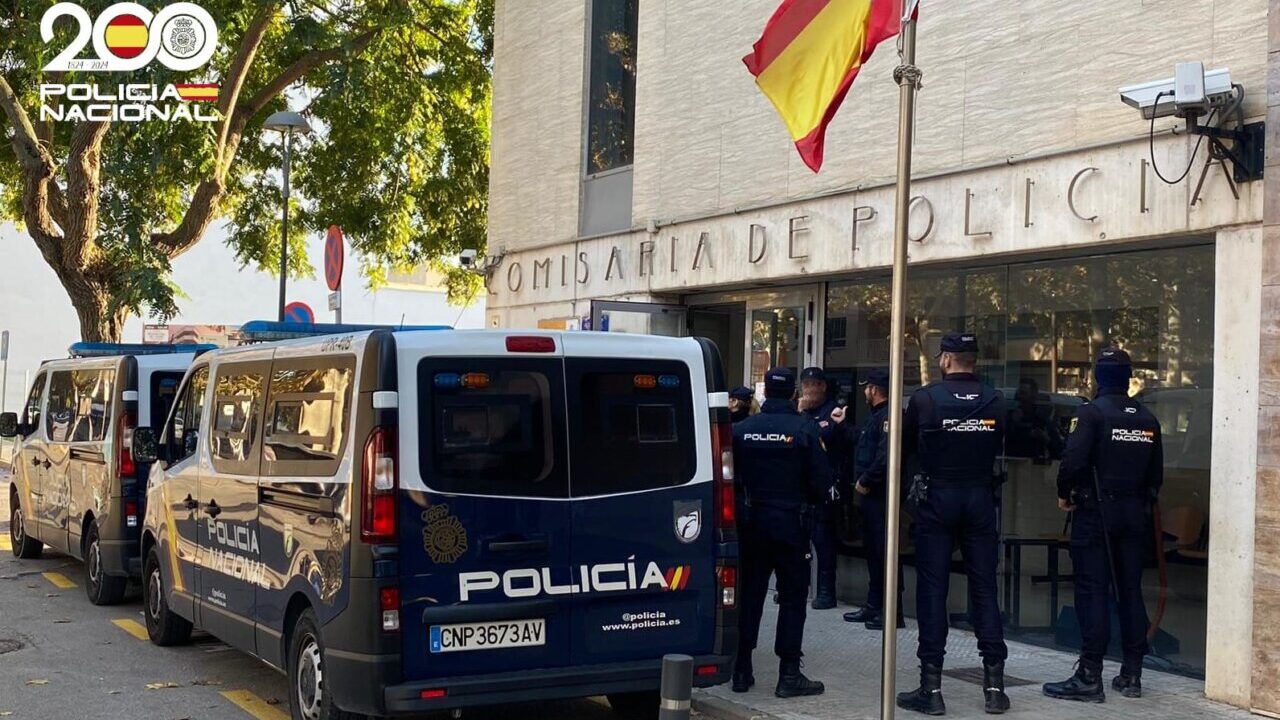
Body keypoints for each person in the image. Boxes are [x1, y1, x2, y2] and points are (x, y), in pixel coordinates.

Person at [896, 332, 1011, 716]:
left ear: (946, 359)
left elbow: (905, 449)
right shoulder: (995, 399)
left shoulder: (926, 399)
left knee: (932, 590)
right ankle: (994, 688)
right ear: (974, 360)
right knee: (984, 589)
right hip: (978, 497)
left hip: (938, 497)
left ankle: (931, 689)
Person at [1043, 348, 1163, 703]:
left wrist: (1065, 494)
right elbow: (1156, 476)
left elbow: (1073, 461)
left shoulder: (1091, 414)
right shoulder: (1147, 419)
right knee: (1130, 590)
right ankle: (1131, 673)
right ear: (1127, 378)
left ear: (1097, 377)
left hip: (1097, 513)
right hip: (1133, 515)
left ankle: (1089, 675)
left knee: (1092, 591)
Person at [732, 367, 833, 699]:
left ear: (765, 395)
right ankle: (788, 673)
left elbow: (729, 478)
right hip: (792, 525)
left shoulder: (742, 430)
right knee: (792, 599)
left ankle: (741, 669)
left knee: (750, 595)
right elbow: (822, 481)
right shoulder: (804, 428)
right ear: (793, 393)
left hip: (752, 524)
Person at [842, 368, 905, 631]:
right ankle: (874, 604)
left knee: (884, 553)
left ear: (874, 389)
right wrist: (842, 426)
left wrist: (865, 481)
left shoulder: (889, 417)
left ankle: (892, 611)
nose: (864, 391)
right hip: (872, 499)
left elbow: (885, 457)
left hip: (881, 497)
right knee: (873, 553)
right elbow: (863, 441)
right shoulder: (876, 417)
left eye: (867, 387)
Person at [798, 366, 847, 610]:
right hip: (801, 486)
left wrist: (803, 415)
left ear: (823, 387)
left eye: (814, 385)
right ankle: (799, 586)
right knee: (799, 541)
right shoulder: (799, 411)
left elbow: (816, 437)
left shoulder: (833, 411)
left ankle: (827, 592)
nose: (810, 390)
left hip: (825, 487)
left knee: (823, 541)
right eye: (806, 385)